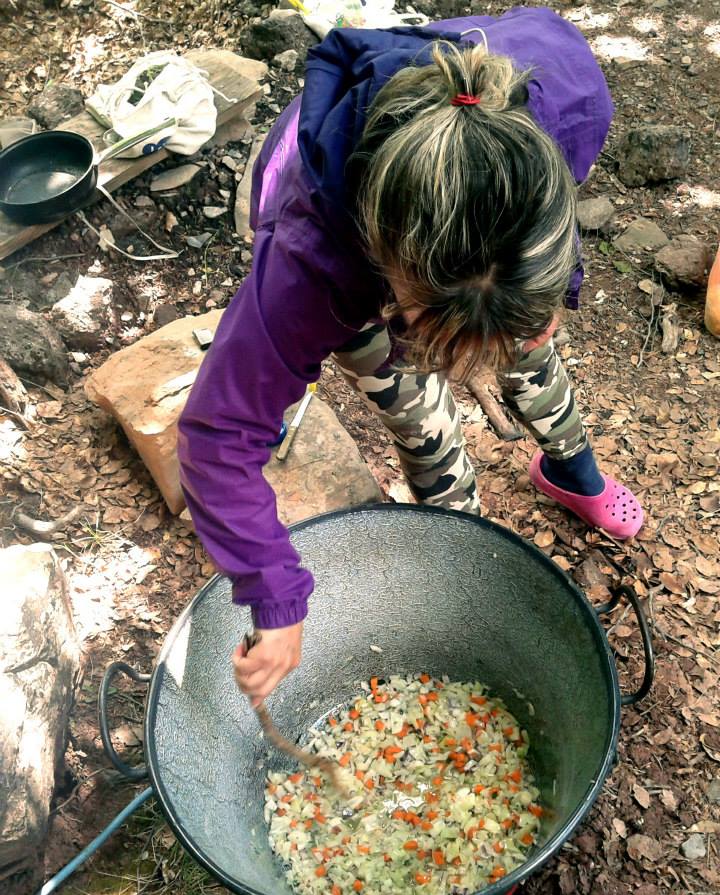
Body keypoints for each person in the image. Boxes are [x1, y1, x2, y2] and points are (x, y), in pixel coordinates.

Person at [177, 8, 644, 707]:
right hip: (340, 210)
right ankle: (458, 543)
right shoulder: (311, 268)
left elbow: (552, 214)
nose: (471, 366)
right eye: (439, 336)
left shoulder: (569, 90)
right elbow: (217, 436)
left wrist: (549, 295)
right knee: (417, 411)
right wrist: (273, 593)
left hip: (456, 227)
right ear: (392, 279)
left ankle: (569, 470)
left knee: (533, 354)